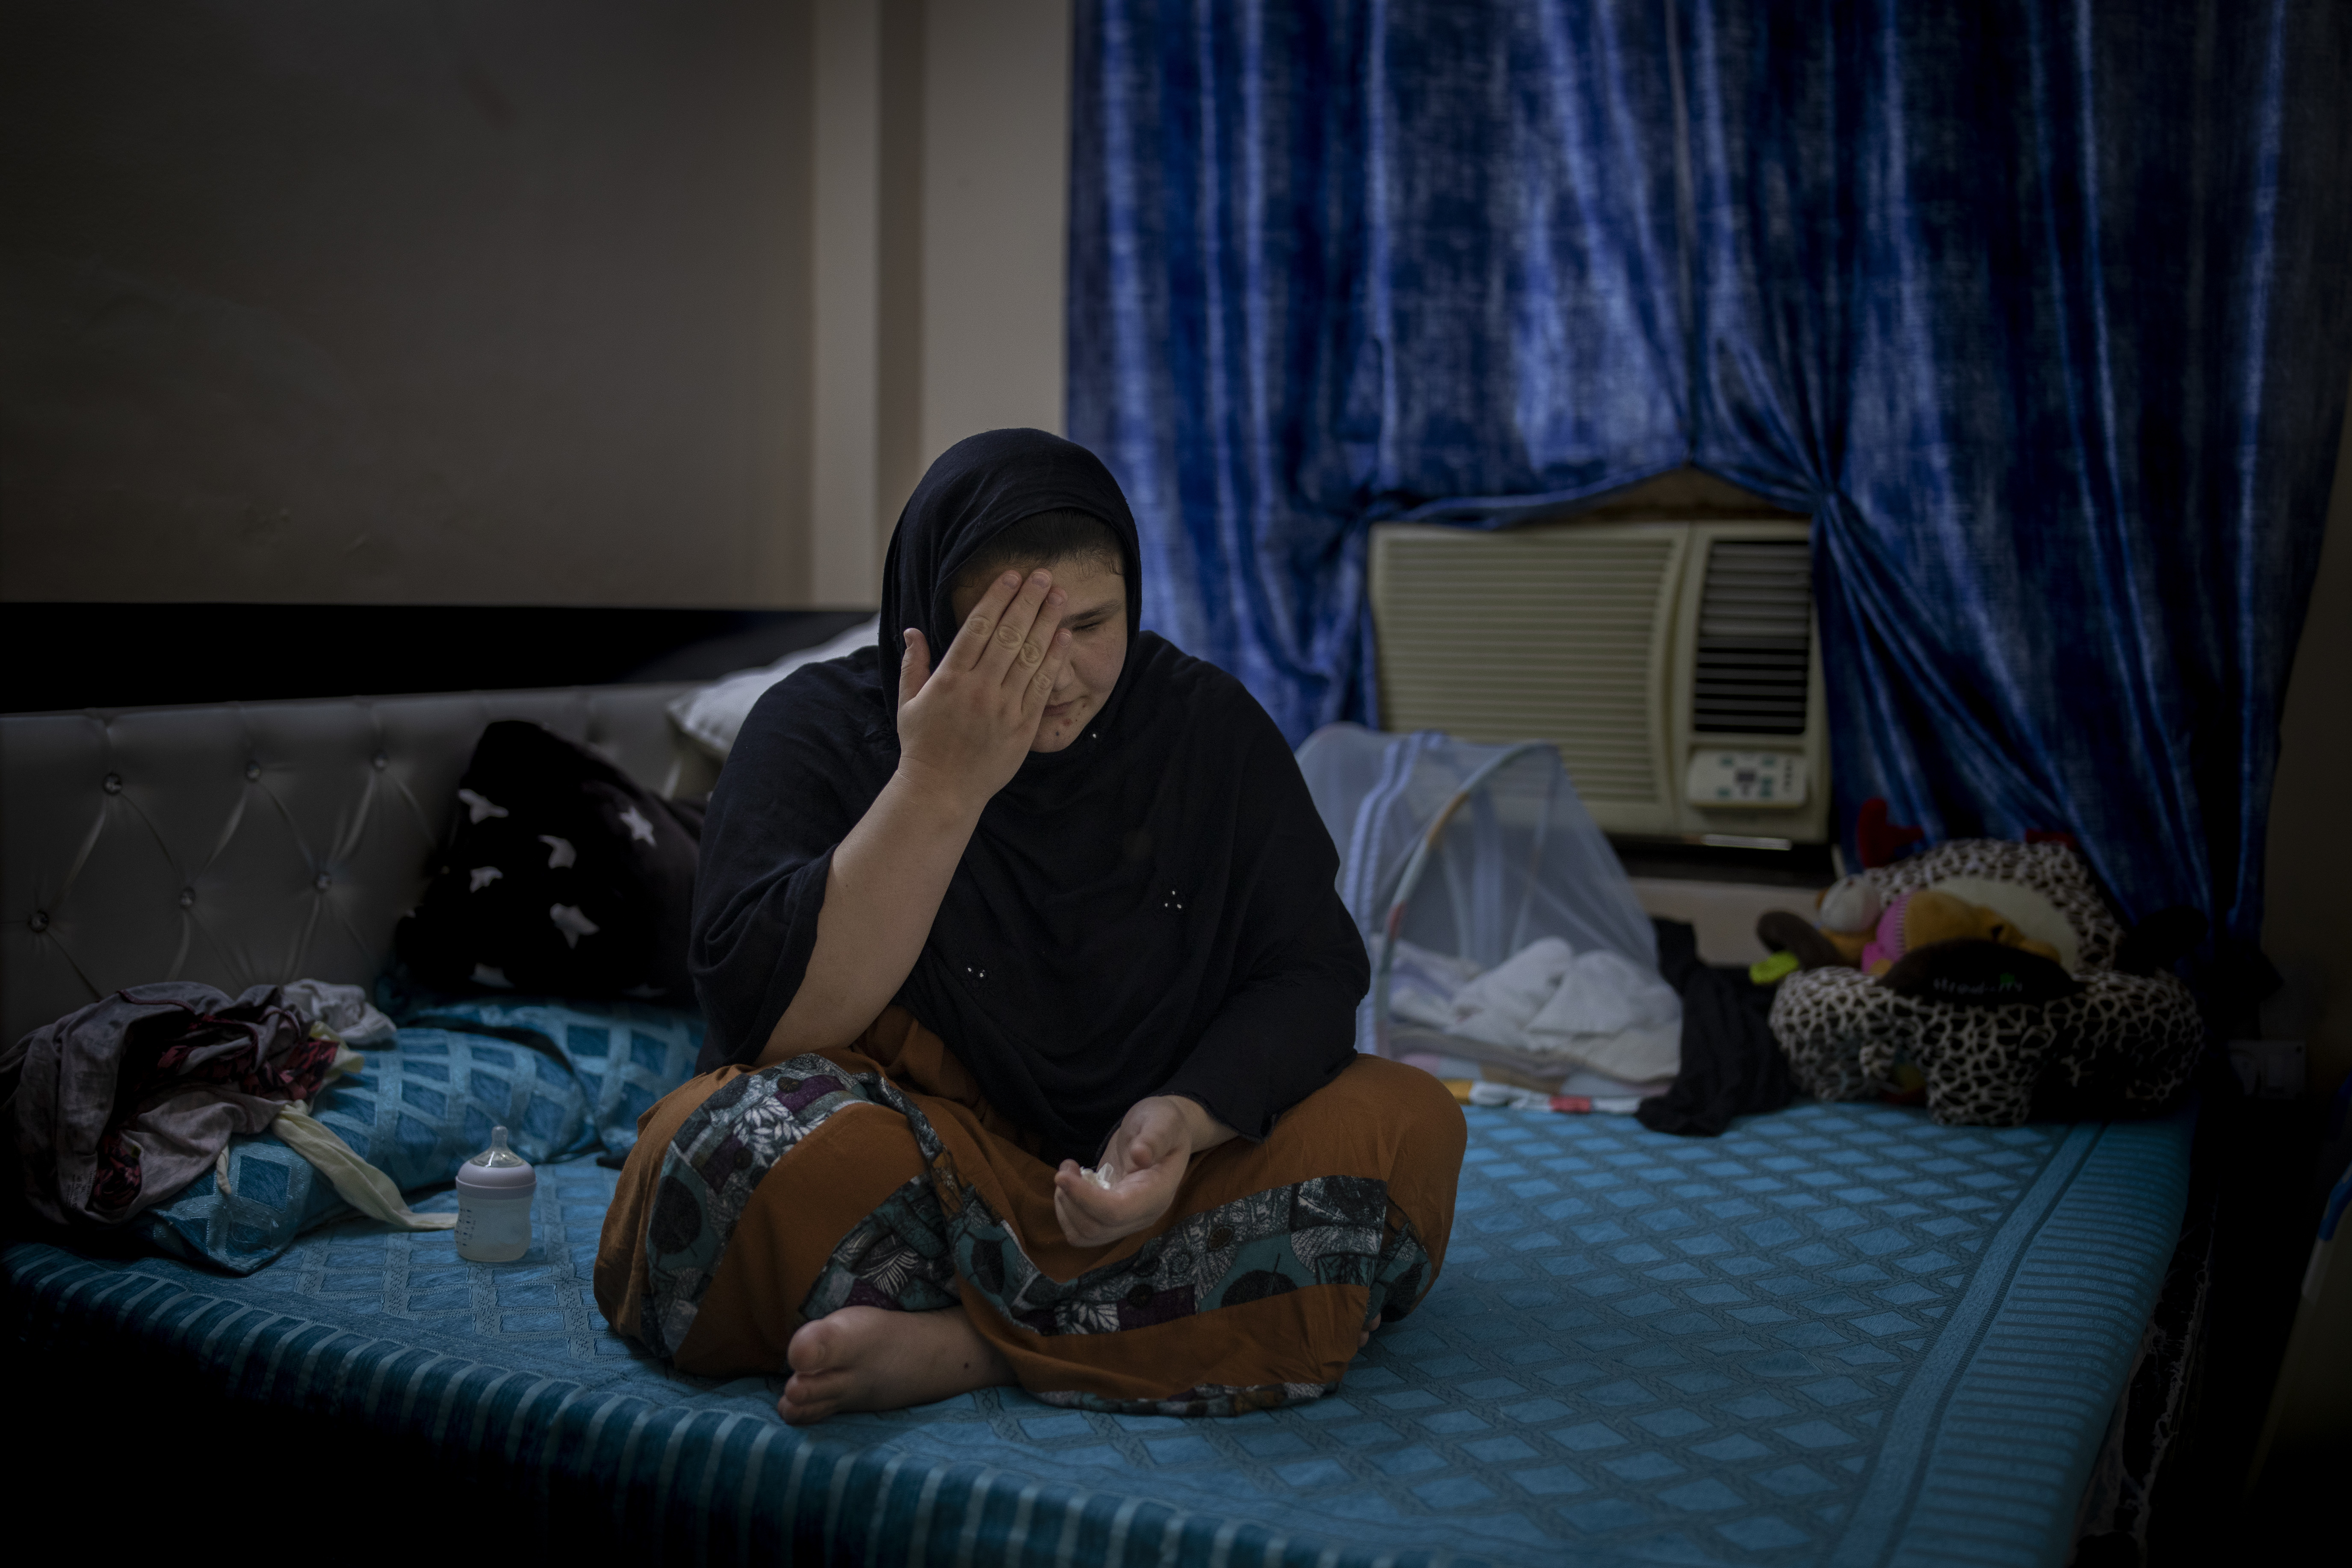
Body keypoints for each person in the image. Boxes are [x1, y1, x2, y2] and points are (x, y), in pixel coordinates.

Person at [594, 428, 1465, 1424]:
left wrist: (1182, 1118)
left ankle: (971, 1347)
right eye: (1002, 639)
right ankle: (1143, 1324)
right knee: (724, 1159)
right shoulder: (817, 729)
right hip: (920, 1152)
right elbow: (774, 1027)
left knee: (1407, 1126)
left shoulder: (1203, 725)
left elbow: (1307, 972)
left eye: (1089, 623)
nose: (1055, 677)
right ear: (927, 623)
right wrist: (939, 783)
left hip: (1157, 1180)